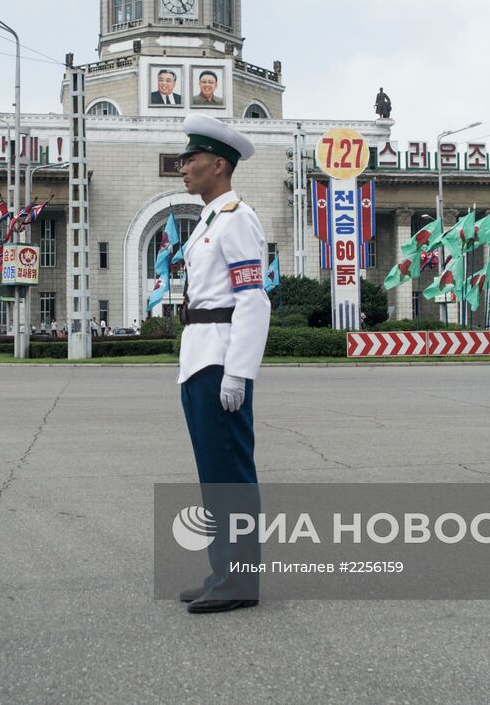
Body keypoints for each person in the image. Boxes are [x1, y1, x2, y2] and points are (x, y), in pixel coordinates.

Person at [173, 113, 270, 615]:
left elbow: (253, 299)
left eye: (190, 158)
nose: (182, 166)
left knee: (230, 474)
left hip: (220, 360)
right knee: (214, 475)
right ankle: (223, 572)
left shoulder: (237, 218)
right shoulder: (210, 221)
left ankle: (240, 581)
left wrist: (238, 372)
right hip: (198, 357)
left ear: (218, 164)